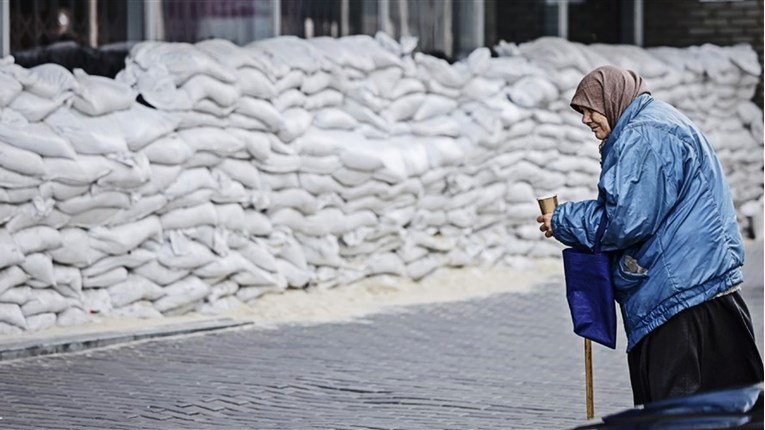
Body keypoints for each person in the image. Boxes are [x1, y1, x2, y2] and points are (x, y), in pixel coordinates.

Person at [536, 65, 763, 405]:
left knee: (676, 413)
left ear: (612, 100)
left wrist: (564, 219)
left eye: (588, 108)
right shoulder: (653, 124)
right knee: (728, 407)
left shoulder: (644, 135)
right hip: (702, 287)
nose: (585, 119)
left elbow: (625, 220)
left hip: (678, 297)